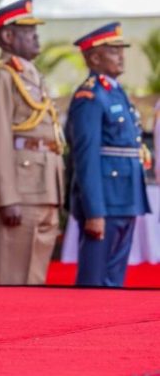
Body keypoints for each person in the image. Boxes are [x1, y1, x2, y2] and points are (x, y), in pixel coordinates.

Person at [0, 0, 64, 285]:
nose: (36, 36)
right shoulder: (1, 76)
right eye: (27, 31)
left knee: (34, 278)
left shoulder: (31, 75)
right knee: (15, 280)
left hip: (42, 186)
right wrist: (6, 196)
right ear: (7, 36)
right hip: (20, 190)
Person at [67, 22, 151, 288]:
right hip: (105, 201)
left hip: (124, 196)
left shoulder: (114, 91)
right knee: (94, 279)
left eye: (120, 50)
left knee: (115, 279)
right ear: (94, 57)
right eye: (113, 51)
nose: (121, 56)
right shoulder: (89, 96)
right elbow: (86, 157)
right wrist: (94, 212)